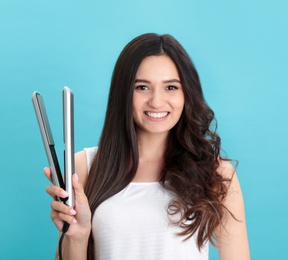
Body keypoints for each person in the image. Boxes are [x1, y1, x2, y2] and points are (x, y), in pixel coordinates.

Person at [44, 33, 250, 260]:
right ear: (123, 93)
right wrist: (77, 235)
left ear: (186, 94)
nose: (157, 102)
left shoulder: (216, 173)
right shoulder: (83, 167)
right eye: (142, 87)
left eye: (171, 87)